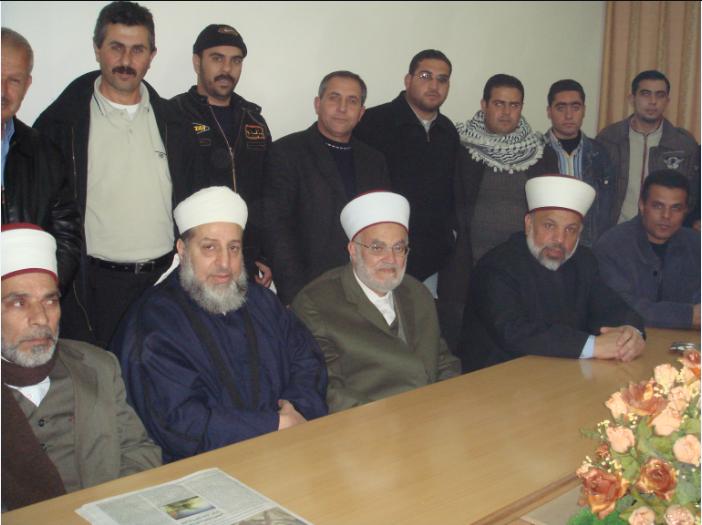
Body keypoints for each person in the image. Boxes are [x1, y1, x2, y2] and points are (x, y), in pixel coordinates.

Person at [113, 186, 328, 463]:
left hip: (288, 447)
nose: (224, 263)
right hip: (200, 469)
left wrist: (296, 410)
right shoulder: (154, 321)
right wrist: (272, 425)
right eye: (209, 247)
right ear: (182, 250)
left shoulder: (262, 302)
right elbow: (178, 420)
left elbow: (308, 362)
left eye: (233, 248)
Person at [33, 1, 201, 348]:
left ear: (152, 55)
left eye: (137, 49)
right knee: (100, 376)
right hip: (93, 288)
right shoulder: (61, 125)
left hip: (163, 282)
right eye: (116, 47)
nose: (126, 60)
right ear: (97, 49)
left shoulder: (174, 124)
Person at [1, 224, 160, 511]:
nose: (41, 318)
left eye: (50, 300)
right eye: (19, 303)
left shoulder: (98, 366)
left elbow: (139, 451)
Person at [292, 192, 461, 413]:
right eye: (377, 248)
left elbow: (443, 360)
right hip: (371, 422)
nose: (390, 259)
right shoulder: (316, 303)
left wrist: (449, 401)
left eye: (398, 248)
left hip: (436, 413)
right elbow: (328, 389)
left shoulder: (417, 292)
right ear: (353, 250)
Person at [458, 175, 645, 372]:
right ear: (529, 224)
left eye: (570, 230)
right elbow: (513, 332)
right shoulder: (496, 266)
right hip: (498, 377)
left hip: (564, 372)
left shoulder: (583, 262)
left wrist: (630, 335)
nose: (559, 239)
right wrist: (594, 346)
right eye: (549, 226)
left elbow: (611, 306)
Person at [353, 49, 469, 353]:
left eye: (442, 79)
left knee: (422, 336)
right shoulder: (375, 123)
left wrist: (450, 235)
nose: (434, 85)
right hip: (382, 253)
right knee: (379, 338)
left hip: (432, 258)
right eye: (426, 76)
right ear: (408, 80)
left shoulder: (448, 132)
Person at [263, 70, 389, 304]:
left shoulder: (374, 161)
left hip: (366, 288)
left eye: (352, 101)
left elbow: (382, 228)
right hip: (308, 289)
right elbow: (277, 229)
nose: (342, 108)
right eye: (334, 98)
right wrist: (296, 295)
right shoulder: (287, 153)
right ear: (317, 104)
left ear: (361, 112)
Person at [172, 24, 272, 288]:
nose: (227, 69)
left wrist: (263, 253)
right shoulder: (173, 116)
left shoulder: (253, 120)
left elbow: (268, 192)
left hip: (243, 259)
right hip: (193, 258)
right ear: (197, 62)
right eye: (217, 58)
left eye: (235, 61)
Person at [1, 28, 81, 293]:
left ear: (27, 85)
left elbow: (67, 238)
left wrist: (40, 297)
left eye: (13, 80)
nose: (2, 91)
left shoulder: (45, 153)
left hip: (28, 305)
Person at [457, 74, 558, 264]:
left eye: (514, 105)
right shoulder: (461, 149)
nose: (506, 112)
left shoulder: (541, 154)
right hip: (470, 263)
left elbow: (550, 214)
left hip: (524, 263)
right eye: (499, 104)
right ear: (484, 105)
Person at [594, 169, 700, 329]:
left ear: (685, 211)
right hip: (627, 339)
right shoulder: (612, 246)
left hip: (686, 340)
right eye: (658, 206)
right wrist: (687, 315)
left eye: (676, 208)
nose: (666, 216)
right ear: (642, 205)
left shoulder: (695, 244)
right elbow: (620, 307)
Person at [596, 70, 700, 227]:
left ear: (667, 101)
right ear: (632, 98)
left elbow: (692, 196)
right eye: (645, 94)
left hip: (665, 233)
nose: (653, 101)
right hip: (615, 231)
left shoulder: (683, 144)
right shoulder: (609, 139)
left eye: (660, 95)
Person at [544, 79, 615, 245]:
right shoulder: (535, 153)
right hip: (546, 243)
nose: (569, 115)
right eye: (561, 108)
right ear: (549, 111)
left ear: (584, 110)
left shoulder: (600, 154)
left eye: (575, 107)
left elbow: (608, 207)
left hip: (589, 245)